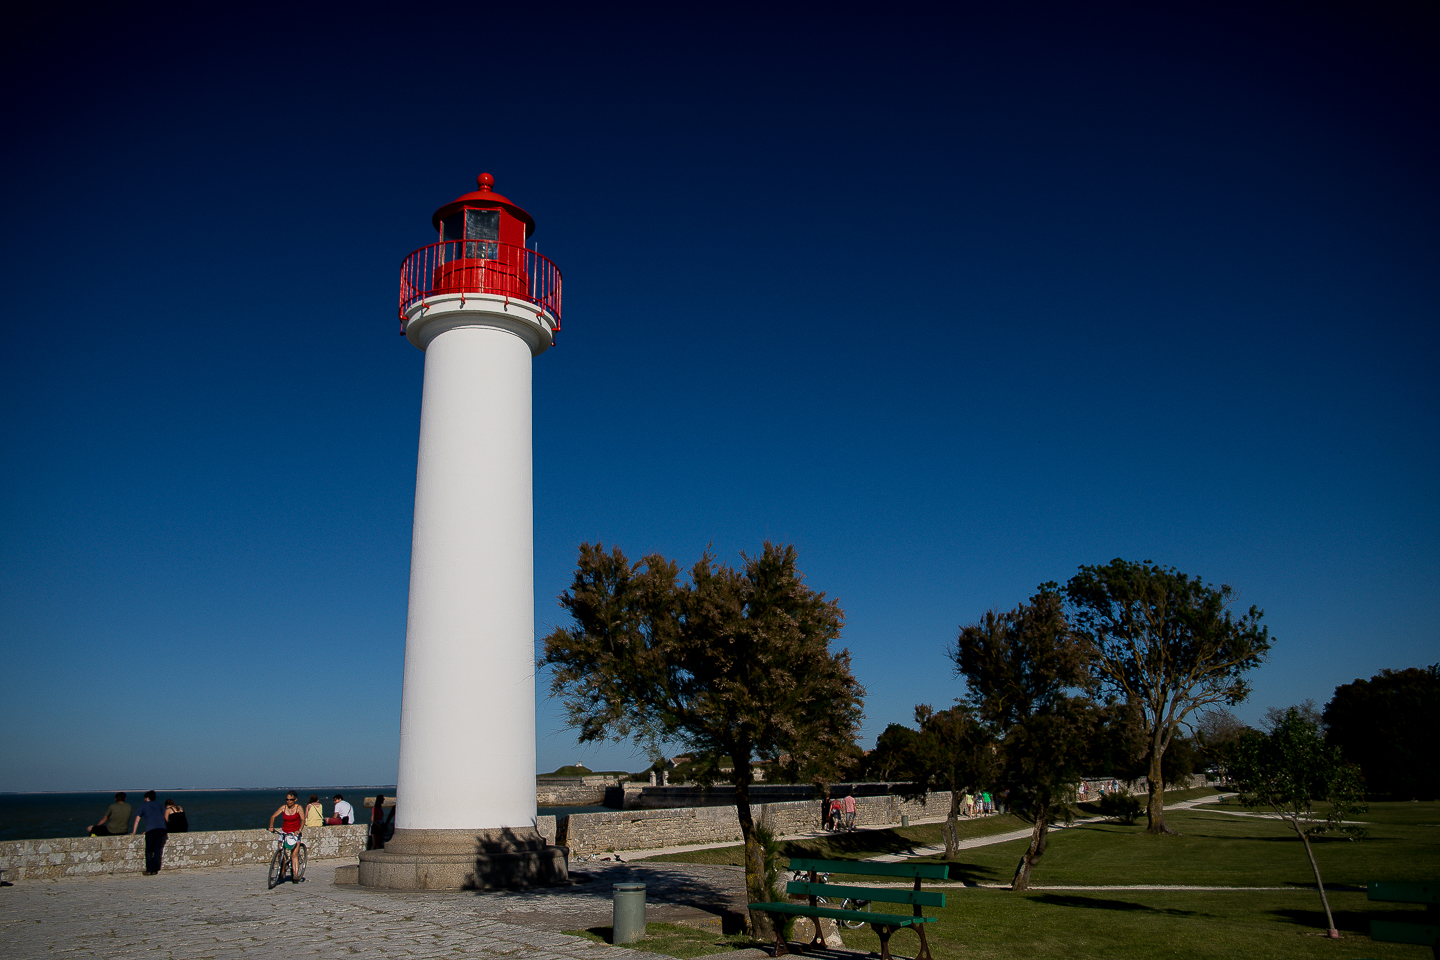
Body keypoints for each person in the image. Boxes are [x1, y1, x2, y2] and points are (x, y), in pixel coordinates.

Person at [267, 791, 306, 881]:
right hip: (284, 831)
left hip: (294, 833)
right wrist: (271, 827)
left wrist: (299, 830)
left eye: (291, 800)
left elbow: (303, 820)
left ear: (295, 800)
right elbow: (273, 816)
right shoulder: (284, 808)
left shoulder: (298, 808)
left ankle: (295, 874)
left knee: (294, 854)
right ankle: (282, 868)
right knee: (280, 851)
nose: (288, 801)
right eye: (287, 799)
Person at [131, 790, 168, 874]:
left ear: (147, 798)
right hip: (161, 829)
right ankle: (155, 869)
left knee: (149, 850)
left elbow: (137, 819)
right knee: (157, 850)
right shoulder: (159, 804)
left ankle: (149, 869)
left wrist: (134, 832)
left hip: (151, 830)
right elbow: (164, 817)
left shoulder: (144, 806)